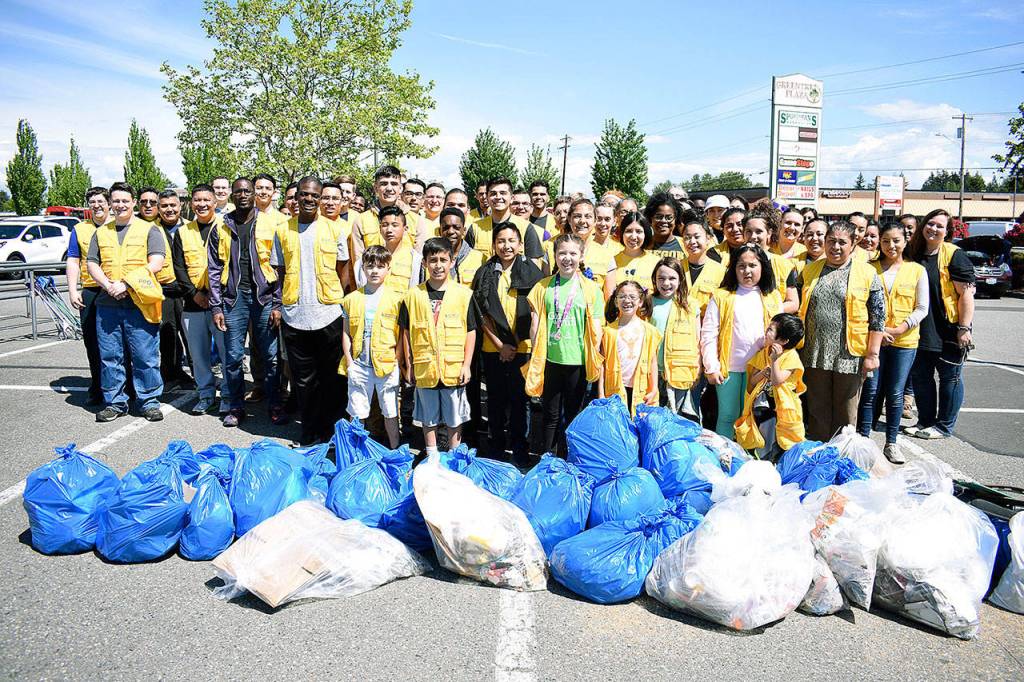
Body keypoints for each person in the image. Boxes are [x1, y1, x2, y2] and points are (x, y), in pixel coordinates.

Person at [85, 182, 173, 422]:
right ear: (110, 204)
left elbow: (156, 262)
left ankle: (149, 401)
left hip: (140, 302)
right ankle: (115, 402)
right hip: (108, 304)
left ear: (133, 202)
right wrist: (108, 286)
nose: (120, 205)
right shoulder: (101, 232)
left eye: (125, 200)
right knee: (110, 356)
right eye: (116, 201)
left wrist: (126, 284)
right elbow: (92, 263)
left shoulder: (149, 230)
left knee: (145, 355)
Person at [271, 176, 347, 446]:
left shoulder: (336, 229)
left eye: (315, 195)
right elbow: (280, 272)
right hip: (295, 316)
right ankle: (309, 432)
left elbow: (343, 270)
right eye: (304, 194)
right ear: (295, 197)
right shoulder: (282, 230)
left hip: (328, 314)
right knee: (303, 381)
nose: (309, 200)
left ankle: (329, 430)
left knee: (331, 378)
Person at [797, 221, 886, 441]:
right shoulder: (809, 271)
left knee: (846, 410)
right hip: (814, 352)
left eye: (842, 242)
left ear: (853, 243)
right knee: (817, 409)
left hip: (849, 353)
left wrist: (872, 355)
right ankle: (819, 454)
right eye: (831, 241)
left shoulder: (867, 273)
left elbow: (878, 317)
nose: (835, 247)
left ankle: (843, 454)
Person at [208, 177, 285, 427]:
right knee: (232, 357)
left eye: (247, 191)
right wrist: (217, 306)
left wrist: (277, 303)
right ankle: (236, 407)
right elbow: (213, 268)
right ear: (231, 195)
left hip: (264, 298)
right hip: (234, 299)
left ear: (255, 195)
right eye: (238, 191)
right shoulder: (221, 226)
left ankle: (275, 404)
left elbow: (278, 267)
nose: (243, 195)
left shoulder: (270, 225)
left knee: (270, 356)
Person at [524, 233, 603, 456]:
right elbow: (535, 324)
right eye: (562, 253)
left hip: (578, 361)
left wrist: (595, 359)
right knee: (550, 415)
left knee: (574, 415)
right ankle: (547, 458)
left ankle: (569, 459)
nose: (567, 258)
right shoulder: (543, 287)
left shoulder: (591, 289)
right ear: (554, 256)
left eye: (572, 253)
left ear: (581, 255)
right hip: (550, 360)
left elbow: (596, 329)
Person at [472, 222, 544, 466]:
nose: (506, 246)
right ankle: (496, 448)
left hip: (522, 348)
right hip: (493, 349)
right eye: (501, 241)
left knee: (519, 401)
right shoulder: (484, 273)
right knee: (495, 400)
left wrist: (514, 345)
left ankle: (520, 447)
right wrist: (499, 343)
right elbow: (479, 313)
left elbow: (538, 312)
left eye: (512, 241)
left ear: (521, 244)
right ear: (494, 244)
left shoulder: (533, 274)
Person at [855, 223, 928, 463]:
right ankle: (863, 441)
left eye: (896, 240)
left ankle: (891, 443)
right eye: (885, 241)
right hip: (874, 339)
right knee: (870, 391)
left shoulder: (917, 270)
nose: (891, 246)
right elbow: (860, 304)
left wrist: (898, 329)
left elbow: (921, 308)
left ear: (905, 241)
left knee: (895, 394)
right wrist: (880, 330)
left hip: (905, 341)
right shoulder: (868, 269)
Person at [399, 237, 478, 455]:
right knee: (428, 415)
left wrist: (466, 365)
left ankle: (454, 454)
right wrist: (408, 364)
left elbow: (470, 331)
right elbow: (406, 332)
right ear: (424, 263)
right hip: (425, 366)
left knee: (454, 415)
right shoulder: (413, 296)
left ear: (452, 262)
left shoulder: (464, 294)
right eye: (433, 260)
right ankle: (432, 454)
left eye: (444, 259)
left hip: (453, 367)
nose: (438, 265)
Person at [903, 209, 975, 440]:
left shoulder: (954, 255)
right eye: (930, 223)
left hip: (949, 328)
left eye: (939, 226)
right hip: (920, 328)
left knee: (950, 377)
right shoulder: (913, 253)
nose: (933, 229)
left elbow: (966, 295)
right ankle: (925, 421)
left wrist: (964, 328)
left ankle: (944, 426)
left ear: (947, 231)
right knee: (921, 377)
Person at [700, 244, 782, 439]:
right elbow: (709, 333)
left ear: (763, 267)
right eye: (741, 266)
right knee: (728, 416)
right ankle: (726, 457)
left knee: (755, 416)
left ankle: (749, 460)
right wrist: (712, 366)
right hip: (729, 368)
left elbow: (779, 333)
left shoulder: (772, 296)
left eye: (753, 265)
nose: (747, 271)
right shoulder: (721, 296)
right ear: (733, 269)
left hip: (760, 368)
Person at [172, 184, 228, 415]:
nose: (202, 204)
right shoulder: (183, 232)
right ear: (191, 203)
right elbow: (179, 267)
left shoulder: (226, 227)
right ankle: (205, 395)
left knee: (227, 354)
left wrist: (214, 296)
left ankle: (227, 396)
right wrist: (194, 293)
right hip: (193, 303)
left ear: (215, 203)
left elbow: (230, 265)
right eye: (197, 200)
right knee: (198, 355)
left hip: (222, 304)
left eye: (206, 200)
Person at [341, 245, 404, 448]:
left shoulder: (397, 299)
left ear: (388, 269)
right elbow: (346, 332)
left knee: (390, 411)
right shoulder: (352, 299)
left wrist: (397, 362)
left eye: (380, 266)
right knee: (357, 412)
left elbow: (402, 334)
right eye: (370, 266)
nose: (374, 271)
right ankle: (354, 453)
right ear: (363, 268)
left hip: (386, 365)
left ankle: (394, 449)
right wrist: (349, 362)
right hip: (360, 365)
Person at [733, 313, 806, 460]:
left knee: (781, 442)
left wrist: (774, 361)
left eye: (770, 330)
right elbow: (752, 382)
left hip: (780, 411)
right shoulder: (762, 354)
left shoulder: (791, 356)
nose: (766, 332)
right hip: (761, 408)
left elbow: (777, 380)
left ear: (784, 340)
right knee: (762, 438)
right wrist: (762, 373)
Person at [66, 186, 111, 405]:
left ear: (109, 203)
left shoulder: (119, 225)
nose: (97, 205)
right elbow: (73, 260)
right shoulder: (80, 229)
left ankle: (127, 385)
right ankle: (98, 386)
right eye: (92, 202)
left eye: (100, 201)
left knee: (122, 343)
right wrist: (73, 289)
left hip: (117, 290)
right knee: (93, 343)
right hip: (92, 291)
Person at [599, 280, 661, 416]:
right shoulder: (609, 331)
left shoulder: (649, 331)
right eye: (622, 296)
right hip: (615, 389)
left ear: (640, 301)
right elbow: (602, 364)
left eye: (632, 297)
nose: (627, 300)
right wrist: (601, 393)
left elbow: (652, 361)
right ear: (616, 301)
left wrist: (654, 388)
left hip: (642, 390)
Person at [650, 257, 701, 419]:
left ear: (680, 280)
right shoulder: (648, 302)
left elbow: (697, 339)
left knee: (680, 417)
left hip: (680, 370)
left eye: (672, 278)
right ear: (654, 280)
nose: (666, 283)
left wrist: (698, 367)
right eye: (661, 278)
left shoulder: (691, 305)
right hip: (653, 370)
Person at [154, 189, 191, 388]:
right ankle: (170, 375)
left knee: (191, 338)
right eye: (164, 206)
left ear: (180, 206)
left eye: (173, 205)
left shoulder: (190, 228)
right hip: (164, 291)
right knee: (167, 336)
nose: (169, 209)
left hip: (188, 293)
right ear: (159, 209)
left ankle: (199, 378)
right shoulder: (151, 229)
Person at [351, 165, 422, 263]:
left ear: (401, 188)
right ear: (376, 188)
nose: (389, 188)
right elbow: (358, 262)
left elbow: (420, 262)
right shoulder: (361, 220)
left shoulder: (416, 220)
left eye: (394, 184)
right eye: (384, 184)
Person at [467, 177, 544, 261]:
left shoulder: (526, 228)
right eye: (493, 194)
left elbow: (533, 265)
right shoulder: (475, 228)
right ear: (488, 198)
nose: (498, 197)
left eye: (503, 193)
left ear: (512, 198)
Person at [740, 208, 799, 313]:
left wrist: (766, 311)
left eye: (759, 231)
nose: (753, 237)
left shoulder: (784, 265)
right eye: (748, 231)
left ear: (769, 233)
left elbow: (793, 303)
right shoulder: (734, 262)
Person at [557, 198, 616, 299]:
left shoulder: (606, 255)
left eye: (588, 216)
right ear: (569, 219)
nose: (582, 221)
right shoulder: (555, 251)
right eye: (577, 216)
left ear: (595, 221)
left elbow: (609, 299)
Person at [354, 205, 422, 292]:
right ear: (380, 228)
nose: (389, 230)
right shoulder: (371, 256)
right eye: (385, 225)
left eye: (395, 225)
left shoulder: (415, 260)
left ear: (405, 229)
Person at [680, 216, 728, 319]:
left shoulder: (721, 272)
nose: (692, 242)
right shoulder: (676, 268)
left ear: (708, 239)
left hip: (705, 328)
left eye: (697, 237)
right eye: (687, 237)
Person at [317, 181, 353, 291]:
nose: (330, 203)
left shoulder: (350, 228)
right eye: (325, 198)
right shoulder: (310, 227)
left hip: (345, 289)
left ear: (342, 202)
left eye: (335, 198)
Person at [438, 207, 484, 285]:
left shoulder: (480, 259)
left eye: (456, 228)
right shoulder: (431, 259)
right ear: (440, 231)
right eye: (446, 228)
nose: (451, 231)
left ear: (464, 231)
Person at [613, 212, 660, 288]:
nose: (633, 236)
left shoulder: (657, 263)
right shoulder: (612, 262)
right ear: (622, 233)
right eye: (628, 231)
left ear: (645, 234)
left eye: (638, 231)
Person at [645, 193, 686, 259]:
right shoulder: (643, 244)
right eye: (658, 217)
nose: (663, 221)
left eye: (669, 218)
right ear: (650, 218)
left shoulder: (685, 244)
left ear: (676, 219)